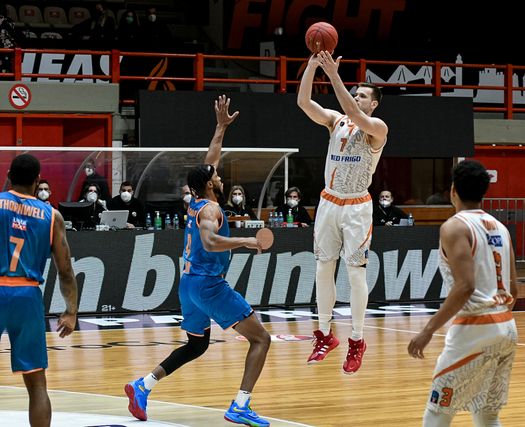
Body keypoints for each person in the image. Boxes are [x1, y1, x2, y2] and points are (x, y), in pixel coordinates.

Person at [125, 95, 272, 427]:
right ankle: (240, 405)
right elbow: (209, 241)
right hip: (209, 286)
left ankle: (143, 385)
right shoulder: (211, 209)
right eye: (215, 175)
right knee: (261, 339)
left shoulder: (195, 200)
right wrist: (247, 241)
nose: (219, 175)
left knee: (197, 345)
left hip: (189, 285)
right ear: (209, 184)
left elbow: (210, 159)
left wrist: (220, 127)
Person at [408, 159, 518, 427]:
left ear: (453, 190)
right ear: (484, 192)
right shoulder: (501, 228)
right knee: (486, 414)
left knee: (437, 411)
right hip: (507, 327)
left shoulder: (454, 227)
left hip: (474, 329)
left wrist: (428, 330)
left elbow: (465, 286)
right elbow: (514, 289)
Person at [297, 50, 388, 374]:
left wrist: (333, 74)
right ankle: (324, 334)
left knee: (355, 273)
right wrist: (312, 67)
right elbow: (304, 103)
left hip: (357, 206)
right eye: (356, 93)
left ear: (373, 103)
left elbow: (353, 111)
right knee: (323, 267)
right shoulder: (336, 121)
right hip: (329, 201)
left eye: (363, 95)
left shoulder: (377, 127)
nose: (357, 97)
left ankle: (357, 340)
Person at [0, 154, 78, 427]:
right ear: (37, 181)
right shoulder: (51, 216)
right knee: (36, 383)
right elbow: (65, 270)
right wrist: (71, 311)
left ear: (8, 176)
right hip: (27, 295)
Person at [0, 2, 17, 73]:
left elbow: (14, 35)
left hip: (8, 49)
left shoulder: (10, 22)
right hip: (3, 48)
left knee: (7, 69)